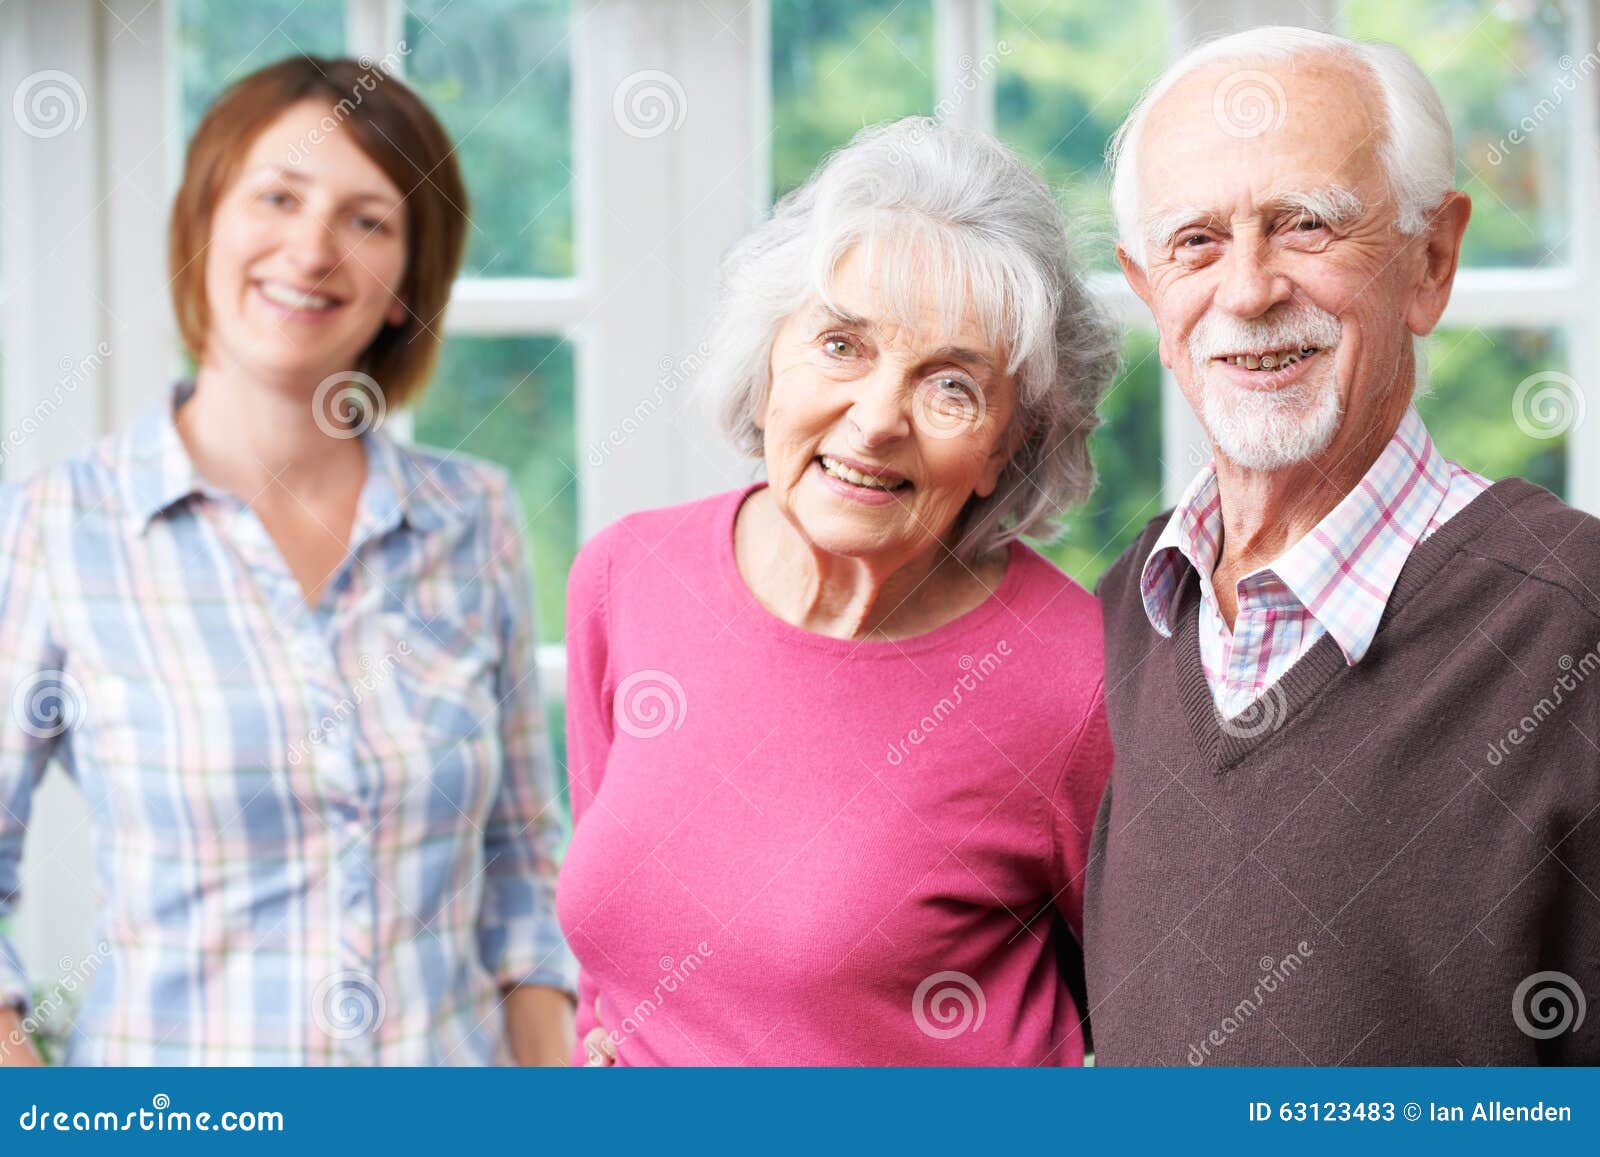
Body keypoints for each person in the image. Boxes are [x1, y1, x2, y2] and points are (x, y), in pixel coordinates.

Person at [0, 57, 575, 1066]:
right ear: (205, 223)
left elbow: (521, 863)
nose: (311, 249)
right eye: (278, 197)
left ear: (406, 285)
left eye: (368, 220)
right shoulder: (54, 525)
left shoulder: (472, 516)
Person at [1085, 26, 1600, 1065]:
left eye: (1305, 225)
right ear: (1148, 291)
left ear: (1431, 260)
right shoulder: (1111, 625)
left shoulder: (1572, 620)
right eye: (1195, 242)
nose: (1246, 290)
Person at [556, 117, 1119, 1066]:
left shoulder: (1079, 675)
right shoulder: (626, 576)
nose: (876, 420)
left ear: (1006, 446)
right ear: (771, 354)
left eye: (951, 386)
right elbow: (610, 969)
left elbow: (1155, 1020)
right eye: (841, 344)